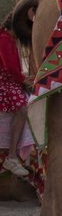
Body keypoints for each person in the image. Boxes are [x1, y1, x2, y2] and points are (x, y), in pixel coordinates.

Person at [0, 14, 30, 178]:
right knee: (22, 110)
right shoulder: (4, 40)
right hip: (5, 83)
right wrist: (24, 80)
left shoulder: (10, 41)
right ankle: (11, 156)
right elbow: (10, 68)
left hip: (11, 80)